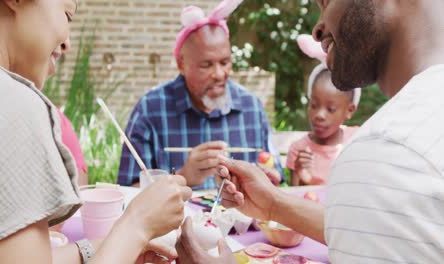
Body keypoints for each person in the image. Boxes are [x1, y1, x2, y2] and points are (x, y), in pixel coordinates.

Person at [176, 0, 444, 263]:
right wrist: (273, 204)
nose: (317, 29)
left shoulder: (387, 151)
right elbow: (375, 230)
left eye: (326, 2)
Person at [0, 0, 192, 263]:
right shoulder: (13, 105)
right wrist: (137, 225)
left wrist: (105, 247)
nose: (67, 42)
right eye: (67, 14)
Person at [118, 0, 283, 190]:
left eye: (225, 62)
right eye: (206, 65)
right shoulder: (150, 109)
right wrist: (183, 176)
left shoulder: (251, 107)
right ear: (181, 64)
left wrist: (268, 178)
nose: (219, 74)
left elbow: (275, 175)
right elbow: (127, 192)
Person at [287, 35, 360, 186]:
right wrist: (301, 175)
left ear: (349, 110)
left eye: (331, 109)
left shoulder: (356, 140)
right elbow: (294, 198)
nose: (319, 115)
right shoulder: (299, 150)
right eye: (314, 105)